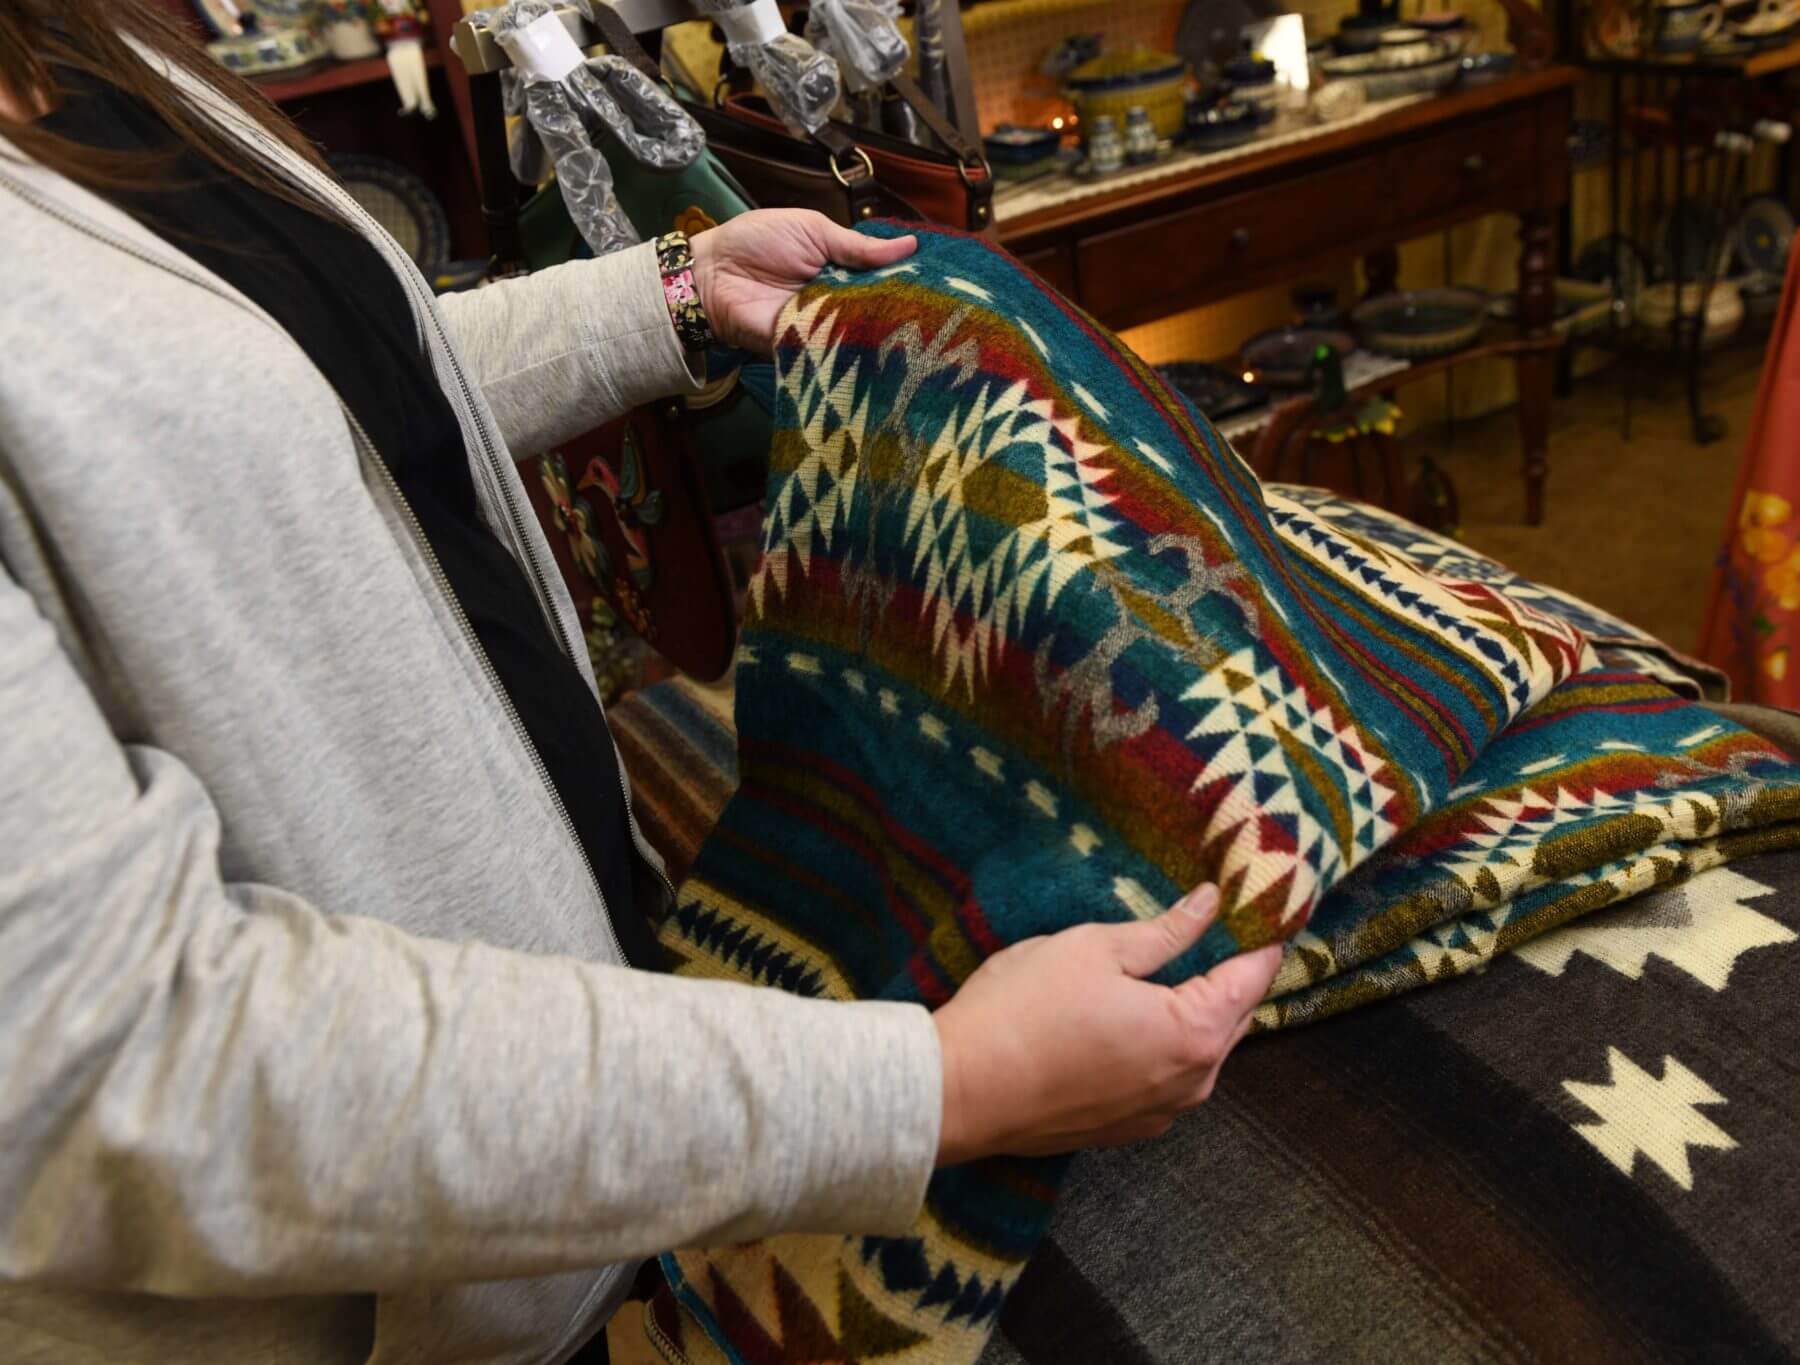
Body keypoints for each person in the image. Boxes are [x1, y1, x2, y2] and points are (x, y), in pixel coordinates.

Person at [0, 3, 1283, 1361]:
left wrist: (667, 300)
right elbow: (122, 1060)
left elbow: (291, 415)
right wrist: (933, 1089)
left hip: (546, 1167)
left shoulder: (79, 46)